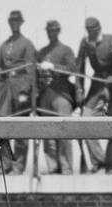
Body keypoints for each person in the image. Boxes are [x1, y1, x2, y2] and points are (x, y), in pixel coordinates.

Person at [77, 16, 112, 173]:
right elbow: (79, 66)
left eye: (94, 30)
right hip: (96, 85)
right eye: (88, 31)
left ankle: (110, 164)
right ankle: (100, 160)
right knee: (85, 120)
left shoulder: (110, 39)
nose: (91, 33)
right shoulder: (85, 43)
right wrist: (79, 89)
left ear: (99, 28)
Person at [0, 10, 36, 175]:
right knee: (0, 127)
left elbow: (31, 70)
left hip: (20, 89)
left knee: (20, 129)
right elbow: (1, 71)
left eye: (17, 22)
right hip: (5, 89)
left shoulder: (27, 44)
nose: (14, 24)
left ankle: (18, 165)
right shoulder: (3, 45)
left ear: (21, 23)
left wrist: (25, 91)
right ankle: (5, 164)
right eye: (12, 22)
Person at [36, 20, 78, 175]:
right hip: (45, 94)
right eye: (48, 30)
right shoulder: (41, 52)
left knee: (64, 131)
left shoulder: (66, 50)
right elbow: (36, 73)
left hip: (62, 94)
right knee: (48, 133)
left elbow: (72, 69)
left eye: (53, 30)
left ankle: (66, 167)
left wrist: (54, 67)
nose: (50, 33)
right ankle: (53, 167)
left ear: (58, 31)